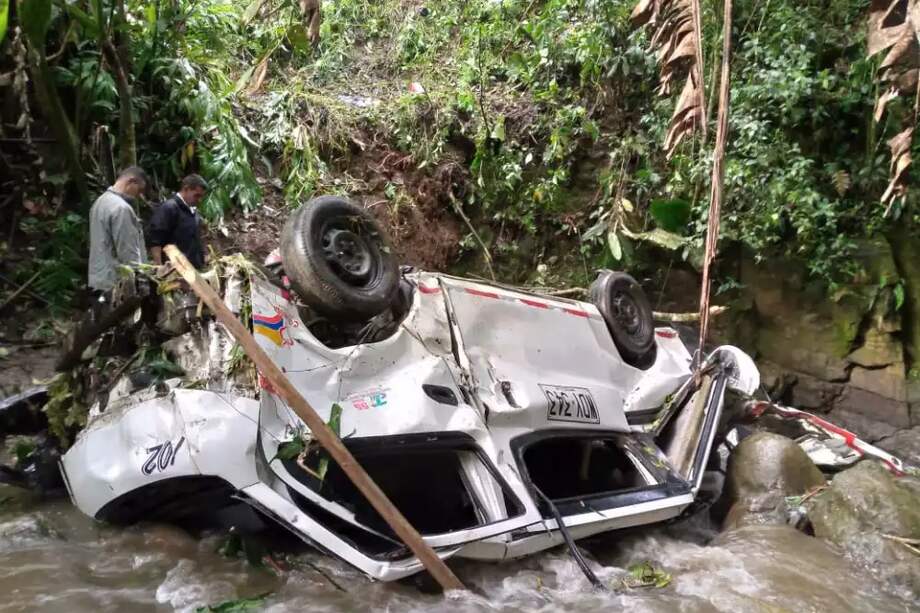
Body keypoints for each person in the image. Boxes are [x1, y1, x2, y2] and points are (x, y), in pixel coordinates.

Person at [88, 166, 149, 292]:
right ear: (132, 182)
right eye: (139, 190)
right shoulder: (121, 208)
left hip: (98, 279)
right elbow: (128, 251)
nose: (138, 196)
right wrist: (140, 279)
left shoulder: (99, 202)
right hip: (115, 283)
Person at [149, 174, 209, 268]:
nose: (199, 200)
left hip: (194, 270)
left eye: (201, 196)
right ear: (186, 189)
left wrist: (203, 256)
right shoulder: (170, 208)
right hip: (175, 269)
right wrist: (159, 266)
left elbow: (196, 239)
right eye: (197, 195)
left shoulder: (193, 212)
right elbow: (156, 239)